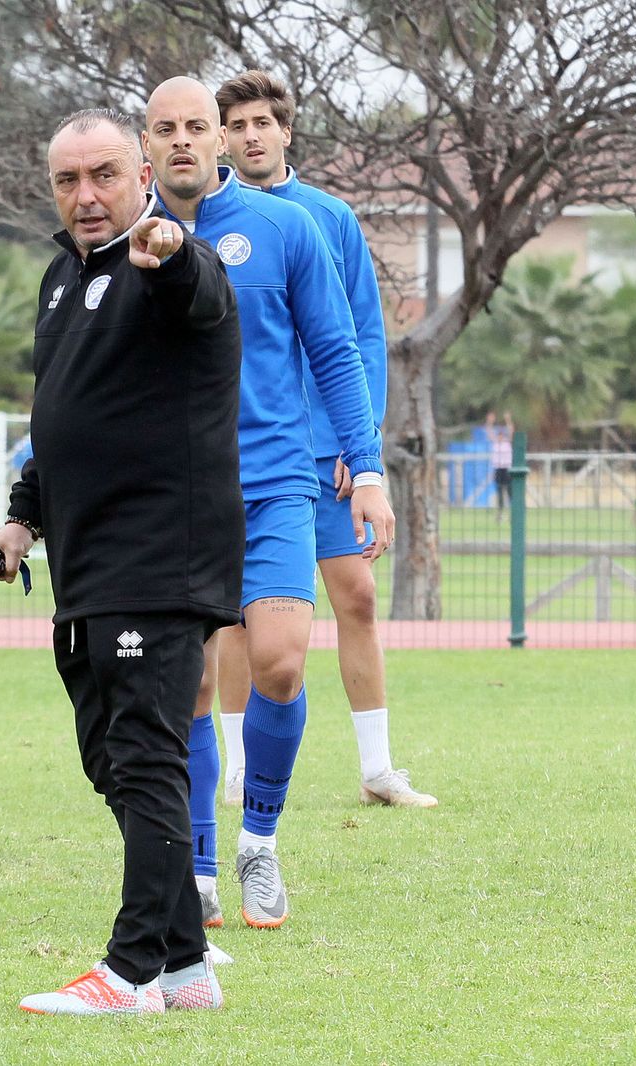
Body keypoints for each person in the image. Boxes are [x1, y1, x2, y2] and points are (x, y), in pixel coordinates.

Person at [0, 107, 242, 1016]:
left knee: (145, 755)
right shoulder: (61, 277)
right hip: (86, 563)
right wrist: (22, 523)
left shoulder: (172, 261)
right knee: (113, 763)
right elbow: (62, 416)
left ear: (140, 174)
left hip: (161, 555)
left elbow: (195, 291)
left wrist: (166, 248)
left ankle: (128, 974)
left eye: (103, 176)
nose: (86, 197)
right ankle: (185, 965)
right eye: (67, 180)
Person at [143, 76, 396, 931]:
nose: (183, 140)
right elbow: (79, 377)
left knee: (281, 662)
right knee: (192, 688)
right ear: (145, 147)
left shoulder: (286, 228)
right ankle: (204, 868)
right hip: (177, 496)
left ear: (221, 140)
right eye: (164, 128)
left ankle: (260, 840)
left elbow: (337, 351)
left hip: (279, 484)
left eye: (196, 127)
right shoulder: (128, 241)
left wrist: (367, 467)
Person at [205, 69, 437, 838]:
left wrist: (356, 443)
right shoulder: (203, 220)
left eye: (263, 122)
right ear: (222, 137)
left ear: (286, 131)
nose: (250, 135)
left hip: (327, 455)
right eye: (236, 125)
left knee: (357, 601)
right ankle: (239, 767)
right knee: (242, 620)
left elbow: (358, 337)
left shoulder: (327, 219)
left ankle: (377, 768)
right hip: (246, 457)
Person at [486, 411, 514, 520]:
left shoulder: (507, 443)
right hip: (498, 469)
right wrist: (489, 422)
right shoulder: (495, 443)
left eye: (502, 435)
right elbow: (489, 432)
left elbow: (511, 430)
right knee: (499, 493)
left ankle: (513, 513)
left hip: (507, 469)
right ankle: (499, 514)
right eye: (499, 435)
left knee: (510, 492)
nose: (501, 437)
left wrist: (508, 420)